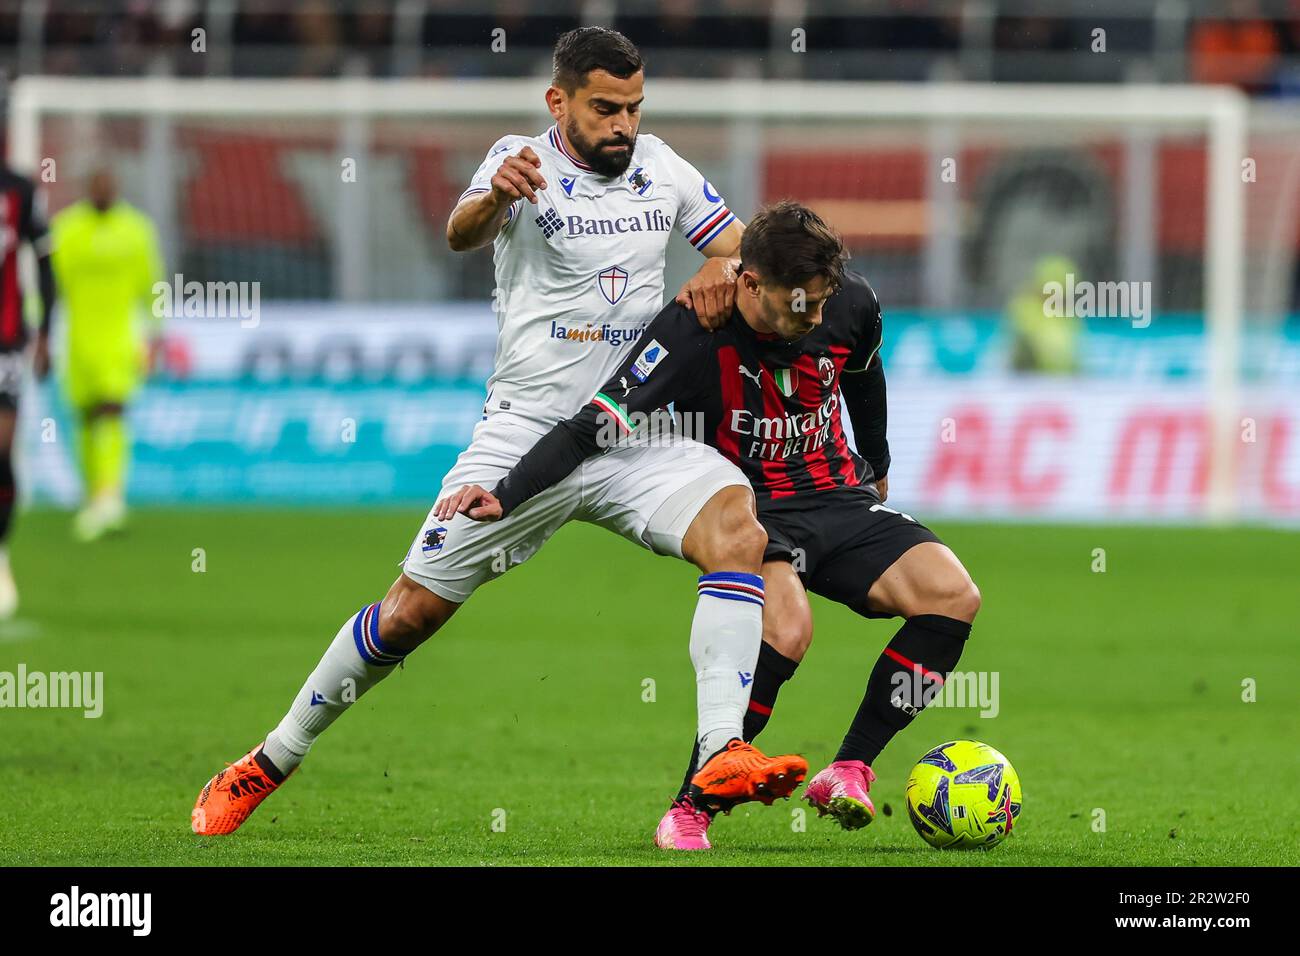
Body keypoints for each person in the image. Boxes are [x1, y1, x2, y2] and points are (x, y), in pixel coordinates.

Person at [191, 27, 807, 837]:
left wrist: (727, 268)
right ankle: (268, 760)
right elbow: (461, 230)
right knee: (408, 613)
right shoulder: (518, 160)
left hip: (634, 432)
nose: (622, 124)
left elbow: (743, 254)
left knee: (736, 524)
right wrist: (496, 198)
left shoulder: (665, 169)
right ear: (559, 103)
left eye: (633, 107)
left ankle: (722, 747)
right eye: (604, 109)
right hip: (525, 431)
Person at [438, 201, 982, 850]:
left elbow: (865, 378)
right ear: (749, 283)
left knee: (953, 595)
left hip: (836, 494)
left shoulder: (851, 302)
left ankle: (849, 768)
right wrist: (507, 491)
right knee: (787, 627)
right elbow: (599, 421)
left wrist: (880, 463)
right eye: (795, 305)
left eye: (820, 302)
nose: (810, 318)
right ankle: (691, 807)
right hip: (753, 508)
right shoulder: (691, 331)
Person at [49, 167, 163, 541]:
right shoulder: (67, 228)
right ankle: (94, 495)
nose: (103, 188)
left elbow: (153, 286)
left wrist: (156, 336)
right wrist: (38, 332)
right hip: (78, 340)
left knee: (112, 410)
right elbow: (49, 286)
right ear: (87, 189)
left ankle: (110, 495)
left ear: (117, 187)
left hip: (120, 339)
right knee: (83, 419)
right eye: (96, 184)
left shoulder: (136, 230)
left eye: (108, 183)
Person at [0, 162, 55, 617]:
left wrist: (47, 334)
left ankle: (0, 554)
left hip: (5, 341)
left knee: (1, 450)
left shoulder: (19, 190)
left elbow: (45, 260)